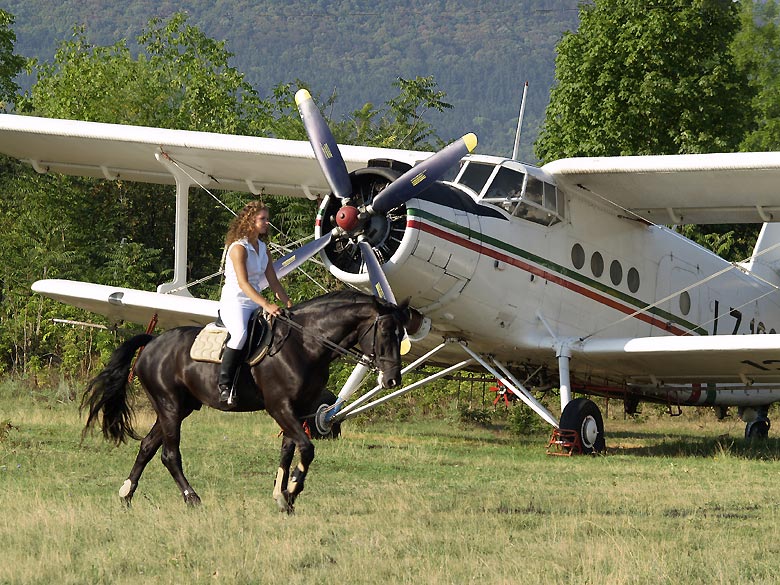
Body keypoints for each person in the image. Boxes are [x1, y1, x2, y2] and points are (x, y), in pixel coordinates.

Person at [218, 201, 292, 404]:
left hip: (255, 301)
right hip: (236, 301)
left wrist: (287, 302)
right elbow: (243, 283)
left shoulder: (263, 248)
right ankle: (224, 385)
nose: (267, 222)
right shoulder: (238, 248)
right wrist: (267, 305)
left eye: (267, 219)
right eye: (263, 219)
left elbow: (273, 281)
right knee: (240, 334)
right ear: (250, 220)